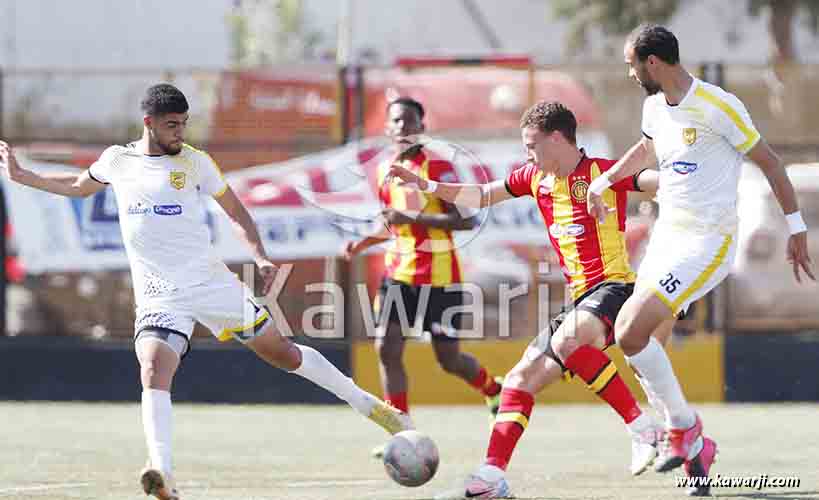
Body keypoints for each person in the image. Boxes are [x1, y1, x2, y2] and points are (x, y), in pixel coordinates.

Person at [0, 84, 413, 500]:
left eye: (184, 123)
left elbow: (237, 213)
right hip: (160, 295)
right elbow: (78, 185)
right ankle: (161, 472)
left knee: (284, 354)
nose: (180, 132)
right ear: (148, 123)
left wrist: (261, 257)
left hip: (211, 284)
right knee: (153, 367)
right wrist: (24, 177)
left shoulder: (195, 162)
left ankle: (370, 406)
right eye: (172, 125)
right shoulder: (117, 160)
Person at [389, 100, 667, 498]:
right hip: (581, 300)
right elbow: (480, 196)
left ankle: (642, 428)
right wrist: (426, 185)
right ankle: (491, 478)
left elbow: (659, 182)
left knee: (568, 340)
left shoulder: (603, 173)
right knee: (519, 380)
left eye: (531, 145)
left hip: (615, 290)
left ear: (556, 139)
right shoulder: (535, 177)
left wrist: (691, 177)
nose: (528, 154)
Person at [586, 24, 815, 478]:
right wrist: (605, 180)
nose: (630, 73)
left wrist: (796, 227)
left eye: (632, 65)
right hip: (666, 236)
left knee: (629, 332)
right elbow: (646, 148)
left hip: (708, 241)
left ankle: (683, 427)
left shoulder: (718, 105)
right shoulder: (654, 107)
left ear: (653, 62)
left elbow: (771, 163)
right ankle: (695, 455)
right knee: (645, 349)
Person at [344, 97, 504, 448]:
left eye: (410, 121)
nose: (403, 127)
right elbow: (392, 222)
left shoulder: (438, 166)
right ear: (387, 128)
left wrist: (412, 218)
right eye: (396, 121)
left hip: (440, 279)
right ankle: (401, 432)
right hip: (399, 275)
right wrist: (364, 242)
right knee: (387, 349)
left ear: (422, 127)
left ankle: (494, 389)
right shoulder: (385, 170)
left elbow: (466, 219)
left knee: (449, 360)